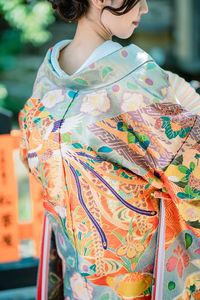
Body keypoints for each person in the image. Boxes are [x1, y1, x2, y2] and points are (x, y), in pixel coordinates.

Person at [18, 0, 200, 299]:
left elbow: (32, 156)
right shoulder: (137, 77)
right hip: (136, 274)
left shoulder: (47, 76)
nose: (144, 9)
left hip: (76, 264)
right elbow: (189, 166)